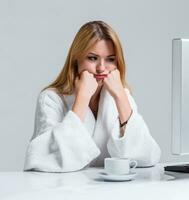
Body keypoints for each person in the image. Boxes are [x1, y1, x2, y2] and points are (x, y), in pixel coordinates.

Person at [24, 21, 161, 172]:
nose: (101, 68)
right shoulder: (51, 99)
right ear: (76, 59)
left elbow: (147, 157)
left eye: (110, 59)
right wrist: (82, 99)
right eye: (92, 58)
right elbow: (45, 160)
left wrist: (121, 97)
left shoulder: (121, 96)